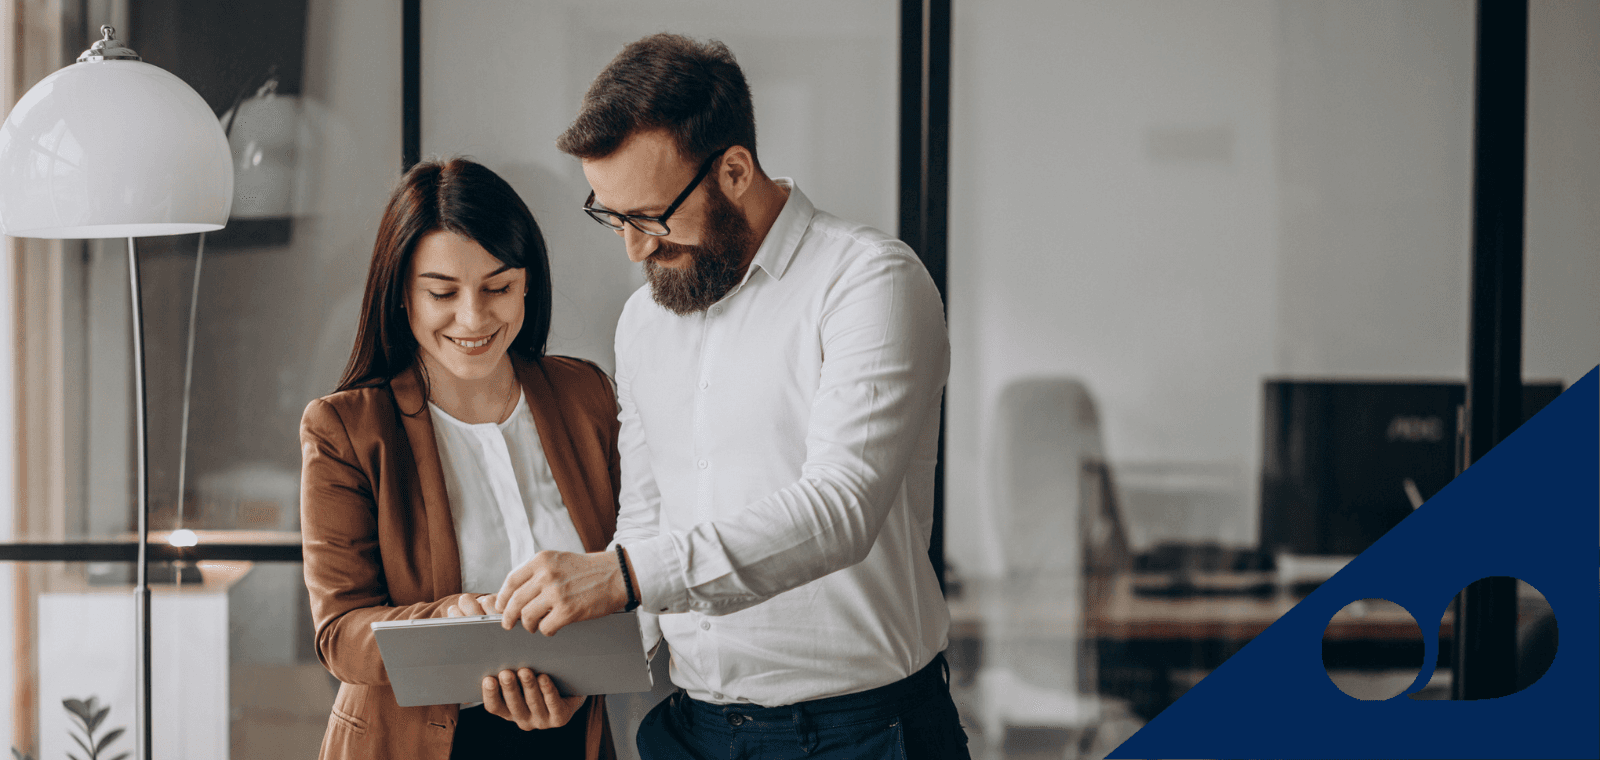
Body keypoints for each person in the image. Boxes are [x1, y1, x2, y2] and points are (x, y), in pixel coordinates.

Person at [478, 34, 970, 759]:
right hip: (691, 728)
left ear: (734, 170)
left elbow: (841, 508)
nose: (634, 250)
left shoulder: (869, 283)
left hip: (862, 735)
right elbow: (647, 518)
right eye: (612, 217)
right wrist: (582, 663)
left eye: (649, 217)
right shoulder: (644, 322)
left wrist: (621, 577)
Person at [299, 158, 620, 760]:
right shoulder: (346, 428)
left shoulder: (586, 396)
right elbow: (340, 635)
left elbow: (633, 567)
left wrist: (583, 673)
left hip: (575, 735)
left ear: (529, 282)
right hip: (414, 743)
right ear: (401, 294)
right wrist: (448, 622)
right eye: (442, 292)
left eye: (497, 288)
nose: (473, 318)